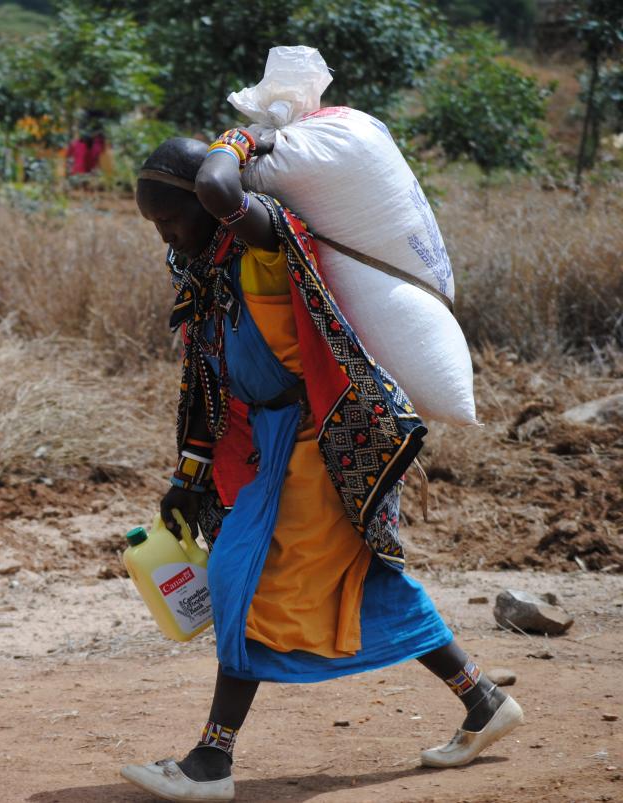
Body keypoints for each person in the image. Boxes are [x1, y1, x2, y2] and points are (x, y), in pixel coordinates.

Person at [119, 133, 524, 802]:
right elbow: (207, 378)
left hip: (322, 441)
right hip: (272, 445)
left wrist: (240, 139)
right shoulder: (202, 268)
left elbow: (221, 188)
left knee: (242, 579)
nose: (166, 234)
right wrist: (187, 477)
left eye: (170, 219)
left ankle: (211, 763)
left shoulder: (267, 235)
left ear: (204, 203)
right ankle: (481, 699)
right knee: (366, 584)